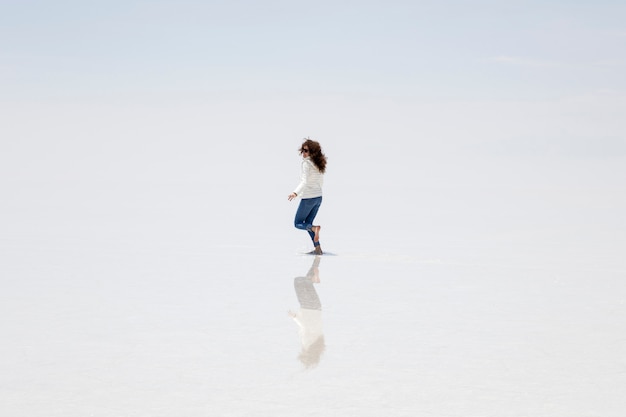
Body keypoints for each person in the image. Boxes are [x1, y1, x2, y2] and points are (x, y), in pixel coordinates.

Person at [288, 138, 327, 255]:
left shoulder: (306, 163)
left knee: (298, 223)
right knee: (308, 224)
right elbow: (321, 181)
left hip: (309, 198)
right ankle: (318, 248)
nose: (303, 153)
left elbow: (304, 181)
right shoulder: (318, 163)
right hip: (318, 198)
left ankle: (315, 230)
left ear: (312, 152)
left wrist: (295, 192)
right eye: (302, 150)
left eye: (306, 151)